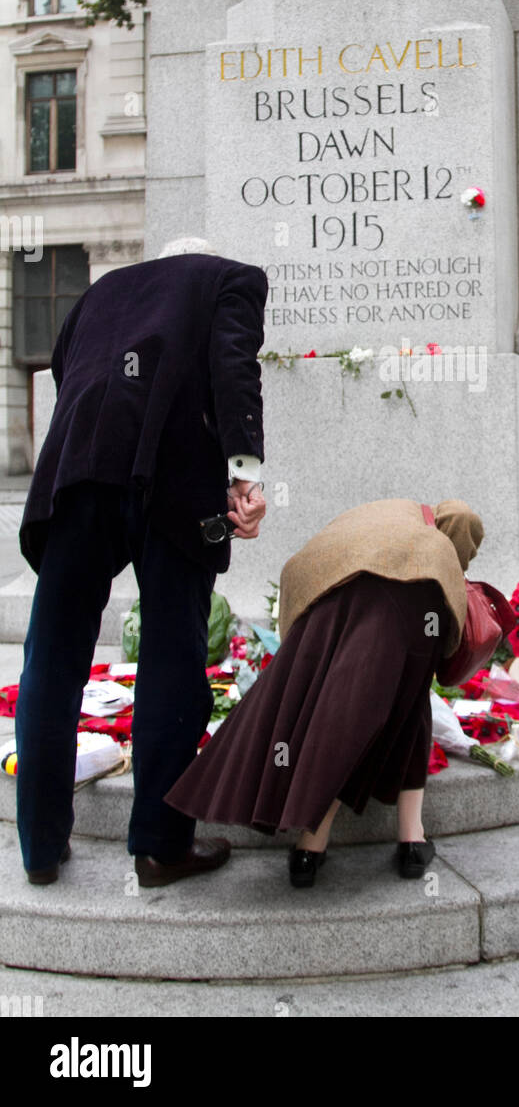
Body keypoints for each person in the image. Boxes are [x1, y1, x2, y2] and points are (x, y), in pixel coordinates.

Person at [15, 238, 268, 887]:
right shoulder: (229, 277)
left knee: (53, 655)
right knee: (173, 657)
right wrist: (244, 475)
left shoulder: (102, 293)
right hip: (171, 479)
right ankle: (159, 848)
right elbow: (233, 364)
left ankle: (41, 849)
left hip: (78, 471)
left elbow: (68, 366)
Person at [166, 497, 483, 887]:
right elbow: (451, 636)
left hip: (334, 594)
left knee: (339, 714)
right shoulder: (435, 550)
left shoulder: (386, 513)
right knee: (409, 705)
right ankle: (412, 841)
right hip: (414, 608)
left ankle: (309, 848)